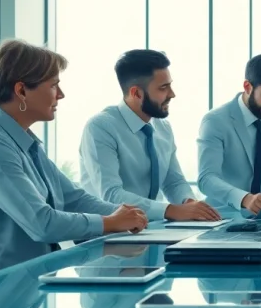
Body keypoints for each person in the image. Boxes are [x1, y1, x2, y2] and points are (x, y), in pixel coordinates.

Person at [0, 39, 148, 276]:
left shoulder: (23, 143)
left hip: (35, 284)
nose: (61, 95)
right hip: (7, 292)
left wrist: (126, 214)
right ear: (21, 90)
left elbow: (74, 199)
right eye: (54, 85)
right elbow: (42, 224)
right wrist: (112, 222)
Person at [79, 49, 220, 222]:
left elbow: (173, 181)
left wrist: (189, 204)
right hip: (107, 233)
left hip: (149, 229)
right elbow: (111, 195)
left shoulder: (163, 127)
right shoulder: (101, 127)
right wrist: (172, 210)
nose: (172, 94)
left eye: (170, 85)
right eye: (163, 88)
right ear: (136, 93)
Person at [197, 54, 261, 214]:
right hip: (223, 217)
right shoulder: (215, 121)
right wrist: (245, 199)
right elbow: (206, 179)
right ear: (248, 87)